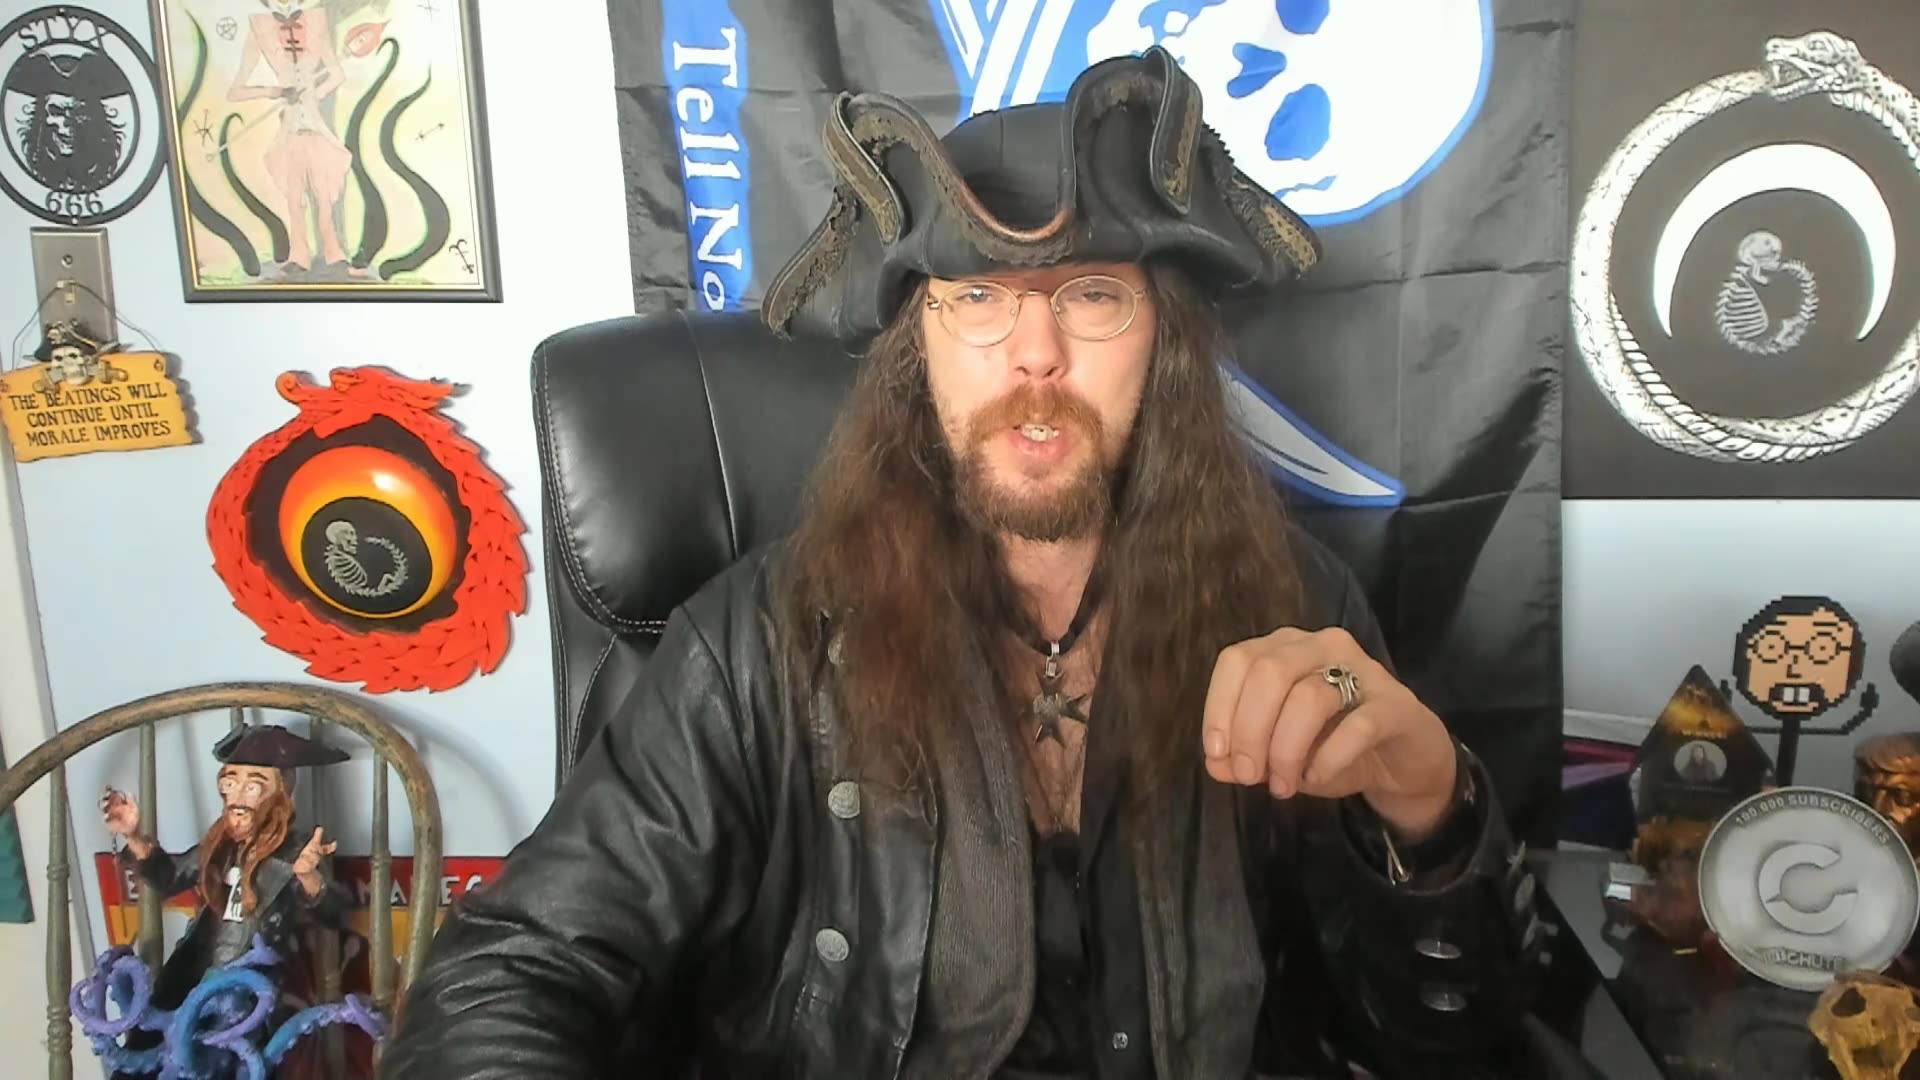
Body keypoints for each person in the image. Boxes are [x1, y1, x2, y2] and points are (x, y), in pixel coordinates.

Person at [380, 47, 1546, 1079]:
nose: (1035, 354)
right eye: (978, 297)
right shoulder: (757, 645)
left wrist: (1426, 803)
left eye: (1093, 295)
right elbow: (510, 971)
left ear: (1165, 347)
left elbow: (1443, 1040)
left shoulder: (1291, 609)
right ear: (916, 351)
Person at [99, 723, 349, 1077]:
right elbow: (169, 877)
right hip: (190, 976)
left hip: (243, 991)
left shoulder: (296, 851)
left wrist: (309, 877)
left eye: (253, 787)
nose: (238, 798)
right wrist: (134, 836)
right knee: (147, 1053)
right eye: (230, 784)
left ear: (281, 794)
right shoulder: (219, 846)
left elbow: (333, 914)